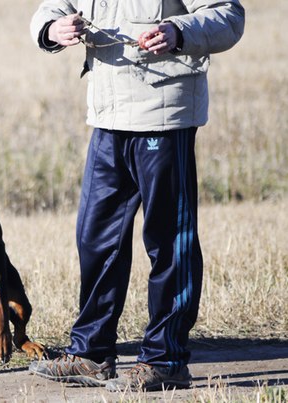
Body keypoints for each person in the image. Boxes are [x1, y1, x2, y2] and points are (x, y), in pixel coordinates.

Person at [29, 0, 245, 391]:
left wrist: (179, 32)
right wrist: (52, 29)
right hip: (107, 118)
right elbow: (51, 8)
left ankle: (166, 360)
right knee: (95, 239)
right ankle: (92, 354)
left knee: (168, 242)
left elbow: (228, 16)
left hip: (164, 116)